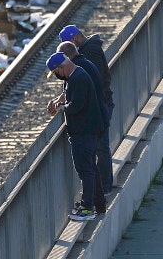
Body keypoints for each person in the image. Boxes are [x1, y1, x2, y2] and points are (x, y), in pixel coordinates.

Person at [46, 52, 107, 220]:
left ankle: (87, 208)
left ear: (61, 67)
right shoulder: (75, 76)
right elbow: (70, 96)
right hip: (88, 130)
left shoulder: (78, 78)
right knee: (91, 169)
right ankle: (98, 204)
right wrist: (59, 101)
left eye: (56, 72)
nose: (57, 75)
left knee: (85, 170)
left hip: (84, 132)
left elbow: (77, 105)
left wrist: (61, 108)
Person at [59, 25, 115, 194]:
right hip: (100, 105)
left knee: (101, 147)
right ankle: (101, 188)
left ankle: (104, 187)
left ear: (75, 39)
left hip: (100, 106)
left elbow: (87, 84)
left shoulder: (89, 53)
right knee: (99, 147)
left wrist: (66, 104)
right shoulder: (88, 52)